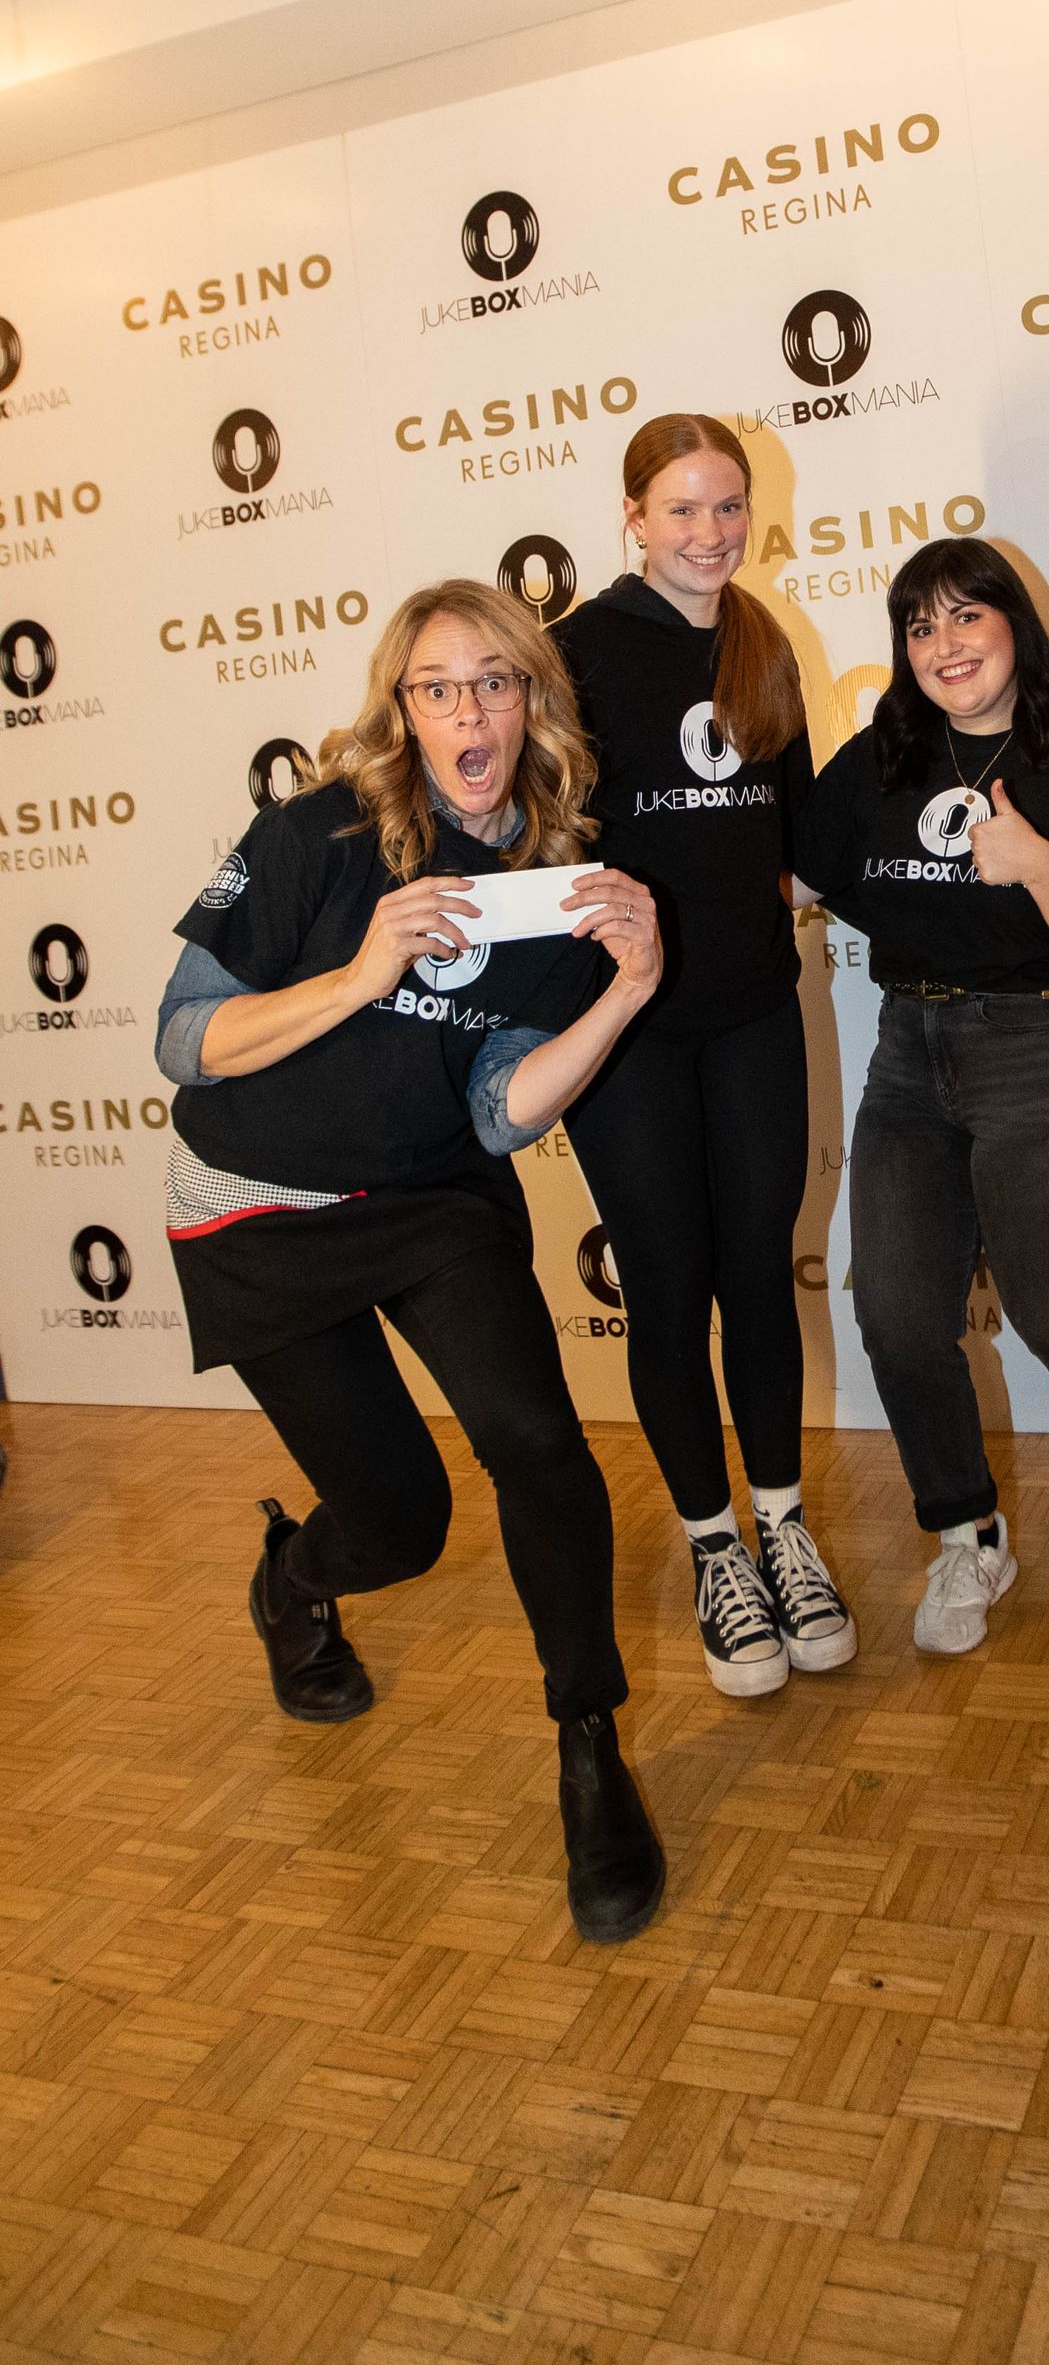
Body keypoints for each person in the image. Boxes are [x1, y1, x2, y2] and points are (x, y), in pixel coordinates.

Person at [156, 579, 667, 1942]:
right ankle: (297, 1580)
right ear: (403, 709)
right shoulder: (320, 832)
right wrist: (358, 975)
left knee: (538, 1441)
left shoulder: (556, 876)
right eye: (438, 686)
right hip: (256, 1204)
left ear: (534, 703)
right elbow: (182, 1041)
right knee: (400, 1526)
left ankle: (589, 1746)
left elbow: (503, 1107)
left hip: (431, 1192)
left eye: (495, 681)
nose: (469, 710)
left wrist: (623, 989)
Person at [795, 538, 1049, 1655]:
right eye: (921, 627)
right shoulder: (881, 756)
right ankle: (967, 1539)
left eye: (967, 617)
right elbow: (799, 870)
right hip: (909, 1052)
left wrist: (1038, 863)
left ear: (1015, 626)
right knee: (898, 1313)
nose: (945, 645)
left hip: (1047, 1047)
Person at [557, 414, 854, 1700]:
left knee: (754, 1272)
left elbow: (798, 836)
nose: (710, 534)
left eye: (727, 508)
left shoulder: (761, 641)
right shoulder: (566, 654)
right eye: (682, 510)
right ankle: (713, 1545)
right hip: (626, 1036)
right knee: (668, 1287)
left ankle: (783, 1524)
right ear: (632, 517)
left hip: (750, 1017)